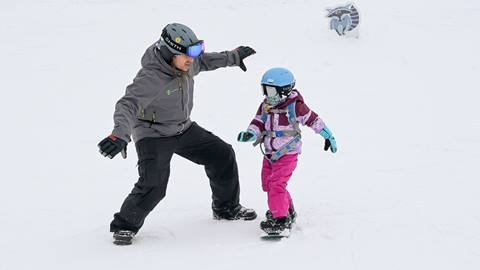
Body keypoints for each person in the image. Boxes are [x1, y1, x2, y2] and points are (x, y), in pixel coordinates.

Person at [98, 23, 257, 245]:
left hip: (182, 127)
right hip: (153, 133)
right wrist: (119, 134)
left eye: (195, 52)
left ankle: (226, 209)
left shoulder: (186, 63)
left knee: (222, 154)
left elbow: (204, 61)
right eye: (187, 55)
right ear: (168, 52)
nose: (192, 60)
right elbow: (128, 105)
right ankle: (125, 225)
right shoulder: (151, 77)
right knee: (154, 184)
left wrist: (232, 57)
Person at [237, 67, 337, 235]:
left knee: (276, 185)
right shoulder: (266, 105)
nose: (267, 95)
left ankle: (281, 220)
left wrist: (328, 136)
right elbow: (258, 122)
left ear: (284, 91)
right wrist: (250, 133)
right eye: (264, 90)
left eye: (271, 91)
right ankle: (285, 209)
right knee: (268, 184)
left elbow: (313, 120)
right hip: (269, 154)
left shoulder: (296, 106)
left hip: (287, 154)